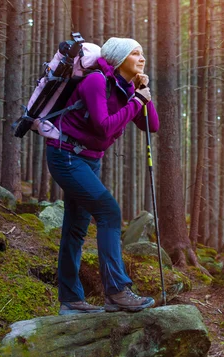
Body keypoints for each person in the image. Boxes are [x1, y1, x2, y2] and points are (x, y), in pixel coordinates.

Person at [42, 37, 160, 315]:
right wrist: (136, 102)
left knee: (76, 227)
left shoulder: (125, 87)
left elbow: (151, 125)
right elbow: (104, 127)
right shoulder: (96, 81)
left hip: (88, 160)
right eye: (135, 53)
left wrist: (142, 93)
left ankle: (70, 299)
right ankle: (117, 291)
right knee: (109, 213)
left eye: (142, 53)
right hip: (66, 155)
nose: (141, 58)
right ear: (119, 58)